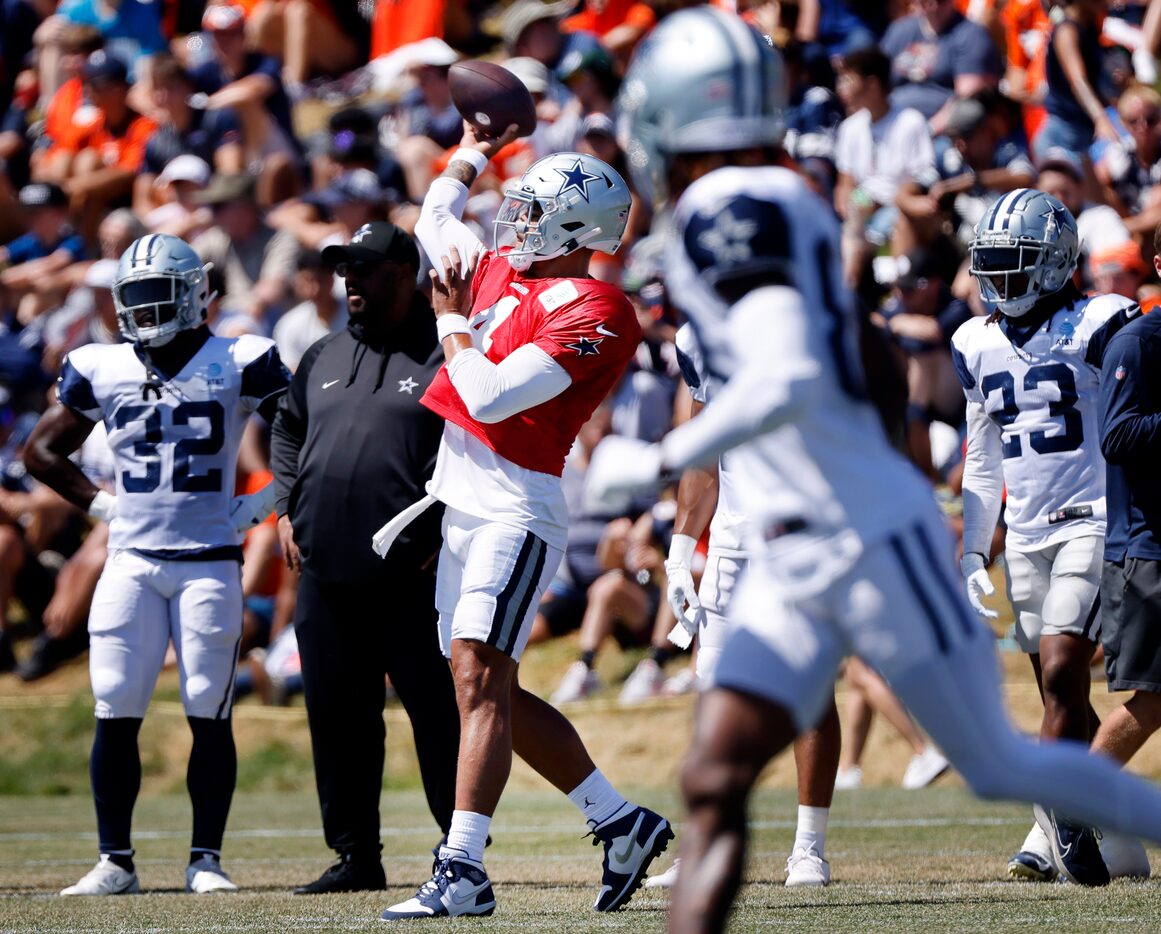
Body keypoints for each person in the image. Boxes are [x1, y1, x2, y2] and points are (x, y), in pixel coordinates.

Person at [600, 10, 1161, 934]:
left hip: (859, 530)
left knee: (1000, 765)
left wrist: (659, 459)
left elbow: (783, 370)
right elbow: (858, 365)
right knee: (714, 775)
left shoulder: (736, 209)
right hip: (800, 530)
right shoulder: (771, 201)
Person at [376, 135, 671, 920]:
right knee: (484, 686)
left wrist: (450, 323)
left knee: (477, 676)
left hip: (517, 508)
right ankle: (619, 822)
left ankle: (462, 866)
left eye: (536, 211)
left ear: (578, 231)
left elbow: (494, 396)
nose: (518, 221)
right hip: (461, 503)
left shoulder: (600, 309)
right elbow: (436, 210)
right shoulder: (499, 269)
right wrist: (472, 149)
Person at [23, 232, 291, 896]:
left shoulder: (242, 356)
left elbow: (302, 442)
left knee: (207, 705)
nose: (144, 310)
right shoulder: (100, 364)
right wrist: (102, 508)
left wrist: (257, 511)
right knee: (115, 704)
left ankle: (206, 859)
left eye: (158, 295)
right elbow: (40, 453)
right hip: (131, 557)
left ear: (196, 293)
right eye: (134, 297)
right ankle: (115, 860)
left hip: (209, 559)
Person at [952, 188, 1147, 885]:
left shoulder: (1097, 322)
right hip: (1028, 529)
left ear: (1054, 263)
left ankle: (1054, 821)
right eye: (991, 264)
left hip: (1093, 518)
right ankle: (1118, 838)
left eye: (1014, 263)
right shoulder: (972, 341)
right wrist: (976, 545)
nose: (997, 279)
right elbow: (981, 456)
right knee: (1055, 693)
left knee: (1065, 668)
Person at [269, 221, 461, 894]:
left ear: (406, 274)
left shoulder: (446, 353)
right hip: (325, 574)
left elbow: (472, 448)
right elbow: (286, 426)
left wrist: (442, 533)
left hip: (414, 578)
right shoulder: (321, 354)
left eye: (368, 268)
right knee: (338, 718)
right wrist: (286, 505)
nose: (351, 279)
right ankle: (356, 857)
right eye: (346, 267)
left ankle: (458, 853)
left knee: (437, 717)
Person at [645, 322, 842, 891]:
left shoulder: (811, 319)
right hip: (732, 542)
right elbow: (705, 455)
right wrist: (682, 549)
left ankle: (809, 850)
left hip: (804, 534)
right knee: (713, 695)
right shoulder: (698, 337)